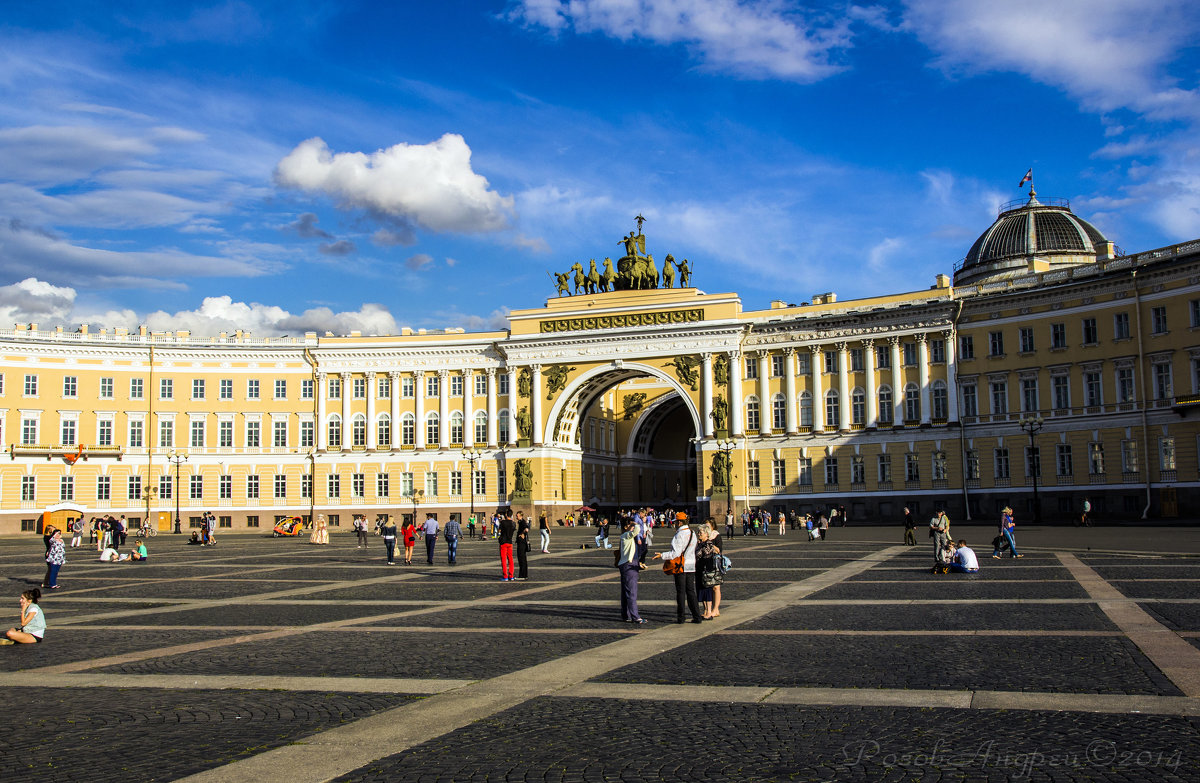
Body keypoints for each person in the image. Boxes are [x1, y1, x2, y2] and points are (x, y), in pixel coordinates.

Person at [652, 517, 702, 624]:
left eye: (675, 522)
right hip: (691, 565)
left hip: (681, 565)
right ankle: (697, 616)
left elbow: (676, 553)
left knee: (681, 592)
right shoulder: (692, 533)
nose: (674, 524)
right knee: (691, 591)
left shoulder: (680, 534)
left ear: (679, 522)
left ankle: (681, 617)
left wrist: (662, 555)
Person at [615, 519, 645, 623]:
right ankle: (635, 616)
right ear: (625, 527)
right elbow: (637, 530)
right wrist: (635, 523)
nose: (632, 527)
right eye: (630, 525)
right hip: (629, 566)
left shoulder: (628, 536)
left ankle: (626, 615)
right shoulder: (626, 535)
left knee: (625, 591)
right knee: (631, 591)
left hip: (629, 564)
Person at [695, 525, 722, 620]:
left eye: (700, 533)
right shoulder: (700, 543)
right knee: (701, 591)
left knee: (706, 591)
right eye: (698, 532)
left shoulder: (708, 544)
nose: (699, 534)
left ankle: (709, 612)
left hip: (706, 571)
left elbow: (705, 557)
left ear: (706, 534)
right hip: (700, 570)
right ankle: (706, 611)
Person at [705, 518, 724, 617]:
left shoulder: (716, 536)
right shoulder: (703, 535)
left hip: (715, 563)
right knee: (707, 587)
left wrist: (710, 544)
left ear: (712, 526)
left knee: (716, 587)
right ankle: (707, 610)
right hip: (705, 563)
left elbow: (719, 550)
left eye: (708, 526)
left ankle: (716, 609)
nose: (706, 528)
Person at [498, 512, 516, 581]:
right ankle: (511, 575)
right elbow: (514, 529)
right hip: (510, 542)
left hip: (503, 542)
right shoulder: (513, 523)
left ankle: (505, 576)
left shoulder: (502, 523)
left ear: (505, 515)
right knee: (510, 559)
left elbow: (499, 531)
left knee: (503, 559)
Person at [515, 513, 529, 580]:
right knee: (522, 559)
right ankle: (524, 575)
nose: (516, 517)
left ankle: (522, 575)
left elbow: (526, 529)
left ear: (521, 516)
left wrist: (522, 534)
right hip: (521, 542)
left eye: (517, 516)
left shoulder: (522, 522)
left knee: (521, 559)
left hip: (521, 543)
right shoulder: (521, 522)